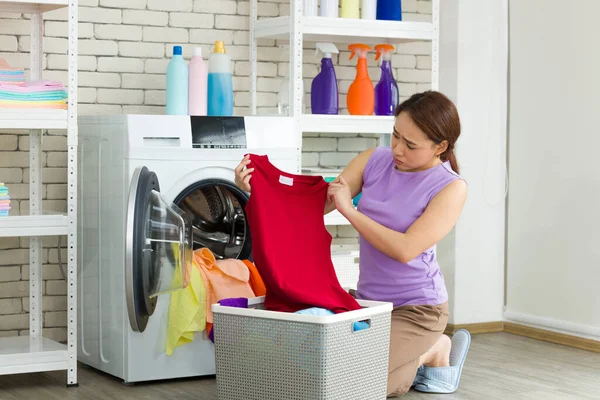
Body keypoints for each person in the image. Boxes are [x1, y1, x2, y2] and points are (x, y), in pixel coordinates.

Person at [234, 90, 471, 397]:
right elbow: (313, 206)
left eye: (410, 144)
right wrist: (259, 190)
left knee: (354, 384)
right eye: (395, 135)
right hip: (367, 303)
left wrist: (349, 209)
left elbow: (405, 248)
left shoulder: (451, 187)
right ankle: (424, 354)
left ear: (440, 146)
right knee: (325, 374)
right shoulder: (374, 160)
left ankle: (433, 348)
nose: (397, 149)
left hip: (418, 309)